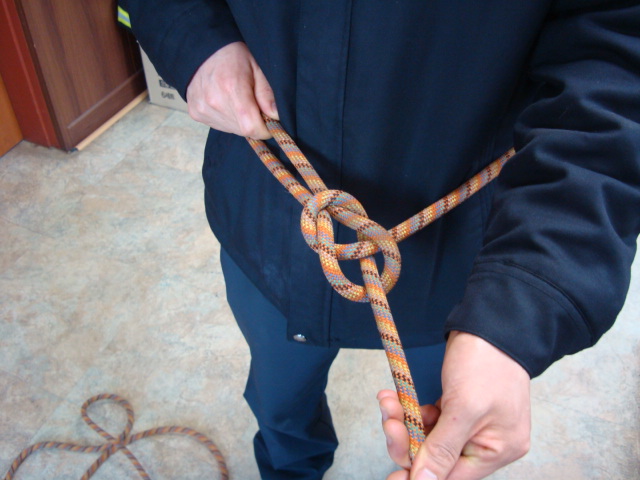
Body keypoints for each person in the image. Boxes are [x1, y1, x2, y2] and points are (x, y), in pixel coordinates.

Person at [118, 2, 640, 479]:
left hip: (462, 256)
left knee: (442, 427)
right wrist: (194, 37)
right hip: (267, 223)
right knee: (280, 402)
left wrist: (518, 308)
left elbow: (614, 61)